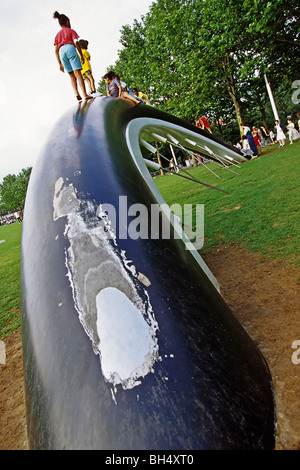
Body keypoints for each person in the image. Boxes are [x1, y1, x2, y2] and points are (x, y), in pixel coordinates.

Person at [53, 12, 92, 102]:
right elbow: (76, 43)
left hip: (61, 52)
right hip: (70, 48)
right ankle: (85, 95)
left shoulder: (57, 35)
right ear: (67, 22)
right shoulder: (71, 31)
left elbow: (56, 50)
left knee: (72, 76)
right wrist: (81, 55)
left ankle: (76, 93)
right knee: (78, 74)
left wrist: (59, 63)